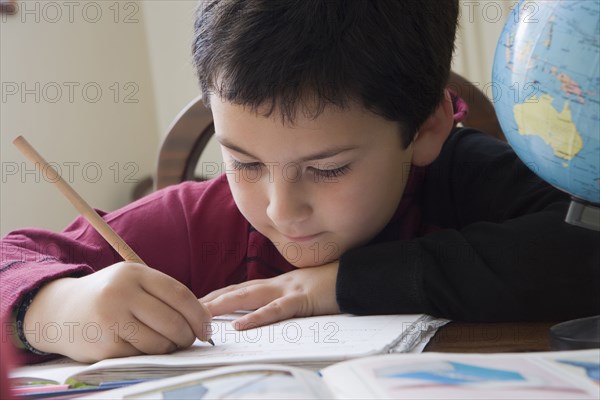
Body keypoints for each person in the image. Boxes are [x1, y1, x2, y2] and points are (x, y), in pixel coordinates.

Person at [1, 0, 598, 364]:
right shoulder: (199, 222)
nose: (282, 210)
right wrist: (55, 306)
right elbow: (12, 261)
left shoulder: (465, 179)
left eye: (328, 168)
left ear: (425, 128)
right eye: (245, 163)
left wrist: (341, 285)